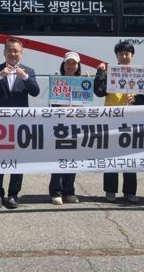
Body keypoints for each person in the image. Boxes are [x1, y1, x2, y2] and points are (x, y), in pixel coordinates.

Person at [0, 37, 40, 209]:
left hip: (20, 123)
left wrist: (26, 78)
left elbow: (35, 92)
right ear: (4, 52)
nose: (13, 54)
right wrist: (0, 75)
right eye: (10, 51)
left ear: (21, 53)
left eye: (16, 51)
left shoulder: (29, 70)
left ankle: (13, 195)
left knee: (18, 159)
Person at [94, 41, 144, 204]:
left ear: (132, 55)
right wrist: (100, 73)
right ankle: (110, 190)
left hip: (132, 121)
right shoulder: (109, 72)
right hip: (111, 120)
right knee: (111, 156)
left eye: (127, 54)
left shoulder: (139, 73)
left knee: (130, 157)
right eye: (120, 54)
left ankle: (130, 191)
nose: (124, 56)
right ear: (116, 56)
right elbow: (99, 92)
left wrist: (135, 99)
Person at [48, 51, 82, 205]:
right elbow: (52, 104)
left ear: (78, 66)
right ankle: (56, 192)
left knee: (73, 159)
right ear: (63, 64)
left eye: (74, 63)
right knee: (59, 159)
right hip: (60, 125)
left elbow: (86, 105)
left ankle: (69, 191)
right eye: (68, 62)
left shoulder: (83, 82)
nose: (71, 66)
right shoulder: (57, 80)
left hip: (76, 126)